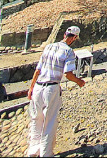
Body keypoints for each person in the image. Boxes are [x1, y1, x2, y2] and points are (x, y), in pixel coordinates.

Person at [27, 25, 86, 157]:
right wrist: (79, 81)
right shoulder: (68, 52)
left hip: (38, 86)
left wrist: (31, 88)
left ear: (65, 34)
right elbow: (68, 74)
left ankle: (33, 151)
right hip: (51, 88)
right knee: (50, 122)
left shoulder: (49, 46)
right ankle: (46, 154)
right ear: (74, 38)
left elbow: (38, 70)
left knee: (36, 119)